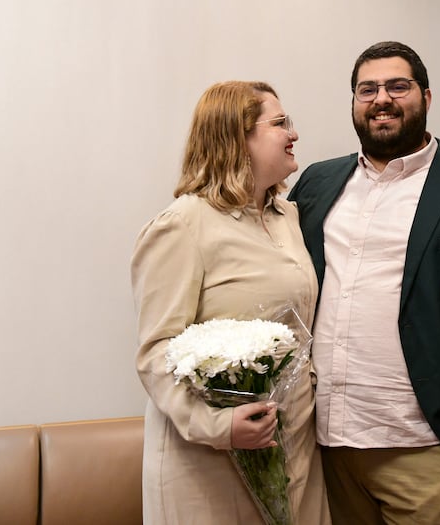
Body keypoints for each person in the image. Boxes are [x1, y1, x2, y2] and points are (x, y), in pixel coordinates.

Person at [288, 41, 440, 524]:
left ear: (425, 96)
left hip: (428, 454)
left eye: (397, 86)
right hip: (327, 448)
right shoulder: (317, 184)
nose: (382, 98)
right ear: (354, 102)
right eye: (368, 89)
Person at [131, 81, 330, 524]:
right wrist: (220, 427)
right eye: (280, 123)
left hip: (295, 448)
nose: (293, 133)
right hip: (209, 463)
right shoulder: (182, 226)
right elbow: (155, 354)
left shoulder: (288, 216)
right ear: (236, 138)